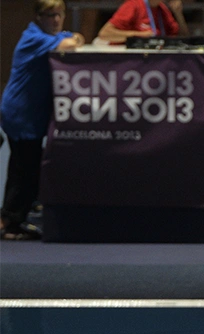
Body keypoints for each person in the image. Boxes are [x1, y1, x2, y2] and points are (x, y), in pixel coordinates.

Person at [0, 0, 83, 241]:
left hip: (31, 114)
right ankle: (10, 222)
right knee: (23, 171)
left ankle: (14, 217)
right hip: (20, 113)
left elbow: (73, 36)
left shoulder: (47, 35)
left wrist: (74, 38)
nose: (55, 20)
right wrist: (74, 39)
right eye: (49, 16)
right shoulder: (33, 37)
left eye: (59, 15)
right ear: (38, 17)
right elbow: (71, 42)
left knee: (25, 168)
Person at [98, 0, 189, 43]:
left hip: (154, 61)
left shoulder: (163, 9)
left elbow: (184, 38)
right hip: (126, 61)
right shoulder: (133, 5)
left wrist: (178, 14)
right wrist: (138, 35)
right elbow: (104, 33)